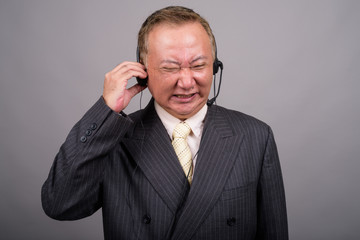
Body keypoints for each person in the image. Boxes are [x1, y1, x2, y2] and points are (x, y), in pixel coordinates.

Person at [41, 6, 288, 240]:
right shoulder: (112, 139)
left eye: (199, 65)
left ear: (214, 67)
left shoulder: (255, 136)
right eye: (170, 68)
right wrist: (105, 111)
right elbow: (59, 204)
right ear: (142, 72)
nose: (186, 82)